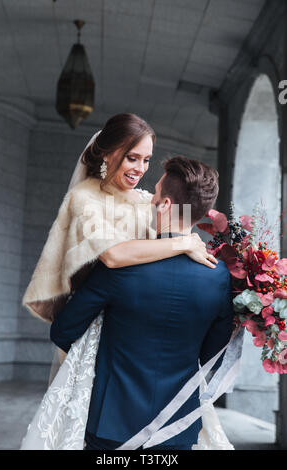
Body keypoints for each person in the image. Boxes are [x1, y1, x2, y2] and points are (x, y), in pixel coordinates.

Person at [20, 113, 219, 450]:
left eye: (146, 160)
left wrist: (196, 245)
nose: (140, 168)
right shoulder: (84, 198)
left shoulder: (146, 200)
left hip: (137, 331)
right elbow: (112, 257)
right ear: (107, 152)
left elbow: (176, 238)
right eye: (132, 157)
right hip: (90, 329)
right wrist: (182, 243)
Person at [50, 156, 234, 450]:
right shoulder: (220, 277)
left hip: (111, 425)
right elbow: (215, 353)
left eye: (156, 194)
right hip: (176, 427)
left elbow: (62, 331)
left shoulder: (120, 264)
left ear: (165, 206)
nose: (150, 201)